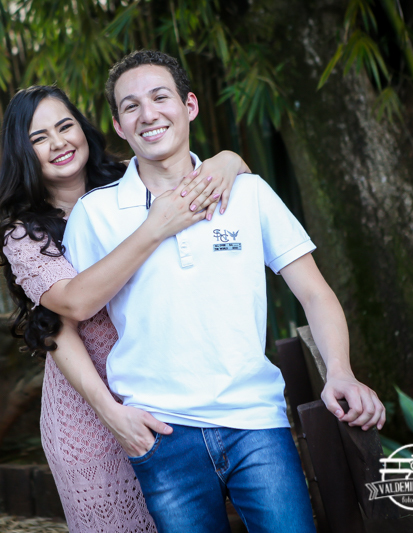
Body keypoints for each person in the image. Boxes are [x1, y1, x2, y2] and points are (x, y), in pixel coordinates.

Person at [62, 50, 387, 533]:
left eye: (160, 97)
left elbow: (315, 293)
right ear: (118, 126)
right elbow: (66, 321)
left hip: (255, 421)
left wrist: (340, 370)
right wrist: (113, 415)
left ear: (189, 105)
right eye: (131, 106)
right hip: (160, 431)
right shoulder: (95, 213)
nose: (148, 114)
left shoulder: (249, 193)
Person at [0, 85, 251, 532]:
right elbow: (67, 312)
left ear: (84, 128)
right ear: (22, 152)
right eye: (39, 138)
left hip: (172, 390)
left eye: (66, 126)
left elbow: (214, 174)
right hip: (90, 412)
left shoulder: (134, 180)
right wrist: (110, 412)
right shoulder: (25, 234)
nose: (59, 143)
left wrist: (227, 159)